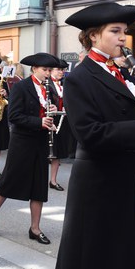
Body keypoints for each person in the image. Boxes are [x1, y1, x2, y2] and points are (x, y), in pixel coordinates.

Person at [19, 2, 135, 269]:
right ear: (93, 36)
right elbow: (89, 133)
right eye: (115, 31)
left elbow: (134, 123)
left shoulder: (121, 73)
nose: (123, 38)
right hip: (96, 182)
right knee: (76, 264)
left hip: (121, 176)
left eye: (125, 32)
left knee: (119, 266)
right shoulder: (80, 77)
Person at [0, 53, 60, 244]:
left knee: (39, 184)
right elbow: (15, 116)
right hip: (22, 141)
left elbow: (54, 109)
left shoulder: (49, 87)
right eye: (45, 70)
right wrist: (39, 121)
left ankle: (35, 228)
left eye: (50, 70)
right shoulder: (21, 87)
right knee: (10, 180)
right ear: (34, 69)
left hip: (40, 141)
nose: (48, 74)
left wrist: (51, 111)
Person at [48, 59, 74, 191]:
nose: (61, 72)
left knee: (57, 153)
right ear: (51, 70)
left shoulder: (64, 84)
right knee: (45, 152)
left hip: (62, 121)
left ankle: (53, 180)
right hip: (50, 121)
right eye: (58, 69)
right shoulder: (47, 84)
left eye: (63, 70)